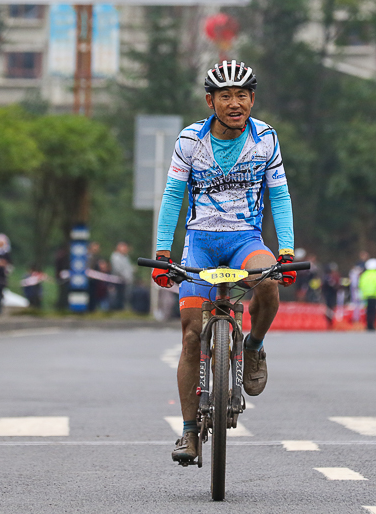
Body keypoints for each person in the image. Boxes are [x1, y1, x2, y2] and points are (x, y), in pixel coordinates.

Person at [151, 60, 297, 463]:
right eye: (226, 96)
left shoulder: (265, 138)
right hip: (200, 244)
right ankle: (189, 432)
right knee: (191, 336)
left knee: (268, 282)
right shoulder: (189, 140)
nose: (236, 103)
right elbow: (173, 197)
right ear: (209, 101)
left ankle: (254, 346)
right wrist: (164, 254)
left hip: (245, 241)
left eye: (243, 95)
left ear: (253, 98)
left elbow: (280, 197)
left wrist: (286, 250)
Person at [358, 258, 376, 332]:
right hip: (375, 295)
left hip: (366, 295)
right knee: (374, 311)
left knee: (368, 311)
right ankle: (372, 325)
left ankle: (368, 325)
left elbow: (361, 285)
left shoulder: (365, 274)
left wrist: (362, 294)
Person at [110, 241, 133, 310]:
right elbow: (118, 269)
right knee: (118, 296)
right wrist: (125, 276)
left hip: (125, 281)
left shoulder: (125, 257)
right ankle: (117, 309)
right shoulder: (115, 257)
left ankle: (122, 308)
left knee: (124, 296)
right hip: (118, 280)